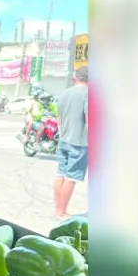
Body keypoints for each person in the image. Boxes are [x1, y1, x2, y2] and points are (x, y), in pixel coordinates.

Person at [54, 66, 90, 218]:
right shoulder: (88, 94)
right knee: (71, 178)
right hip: (79, 142)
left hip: (64, 140)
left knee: (60, 174)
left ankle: (58, 210)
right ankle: (61, 212)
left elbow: (59, 119)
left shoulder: (64, 93)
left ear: (77, 77)